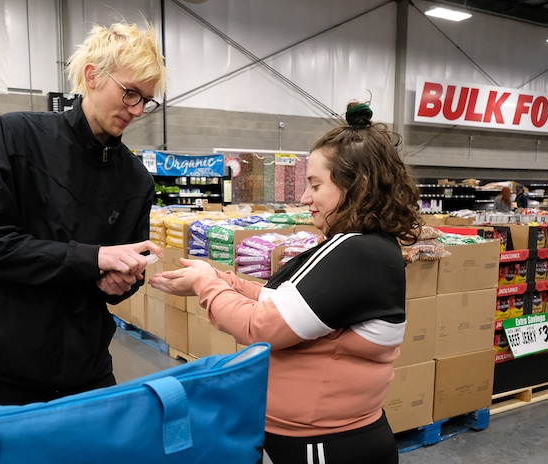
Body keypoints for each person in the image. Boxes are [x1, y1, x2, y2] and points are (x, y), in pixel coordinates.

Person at [149, 101, 422, 464]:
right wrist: (221, 279)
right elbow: (283, 301)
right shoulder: (363, 247)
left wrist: (205, 285)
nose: (305, 198)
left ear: (359, 186)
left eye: (315, 185)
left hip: (323, 445)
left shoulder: (358, 252)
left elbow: (261, 326)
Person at [0, 20, 166, 406]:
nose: (137, 110)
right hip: (3, 366)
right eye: (130, 93)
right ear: (93, 76)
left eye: (146, 101)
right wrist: (94, 258)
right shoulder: (17, 136)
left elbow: (123, 274)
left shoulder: (136, 180)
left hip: (86, 368)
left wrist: (121, 282)